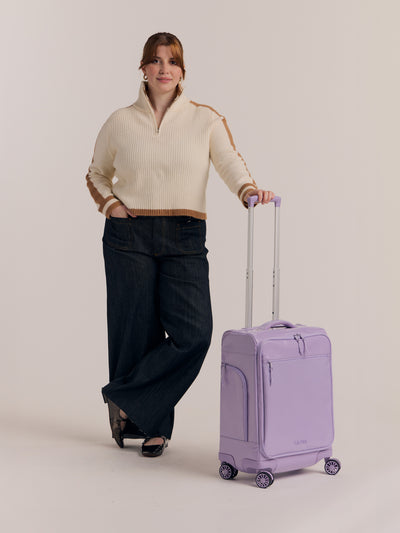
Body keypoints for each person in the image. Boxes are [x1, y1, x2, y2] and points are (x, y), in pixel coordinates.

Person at [85, 32, 275, 458]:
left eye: (172, 62)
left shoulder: (204, 119)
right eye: (155, 61)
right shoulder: (119, 120)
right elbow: (96, 173)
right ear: (143, 69)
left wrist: (247, 190)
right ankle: (150, 427)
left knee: (194, 333)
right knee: (136, 330)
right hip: (129, 233)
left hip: (185, 234)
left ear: (183, 70)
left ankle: (123, 396)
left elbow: (228, 162)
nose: (164, 69)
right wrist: (111, 205)